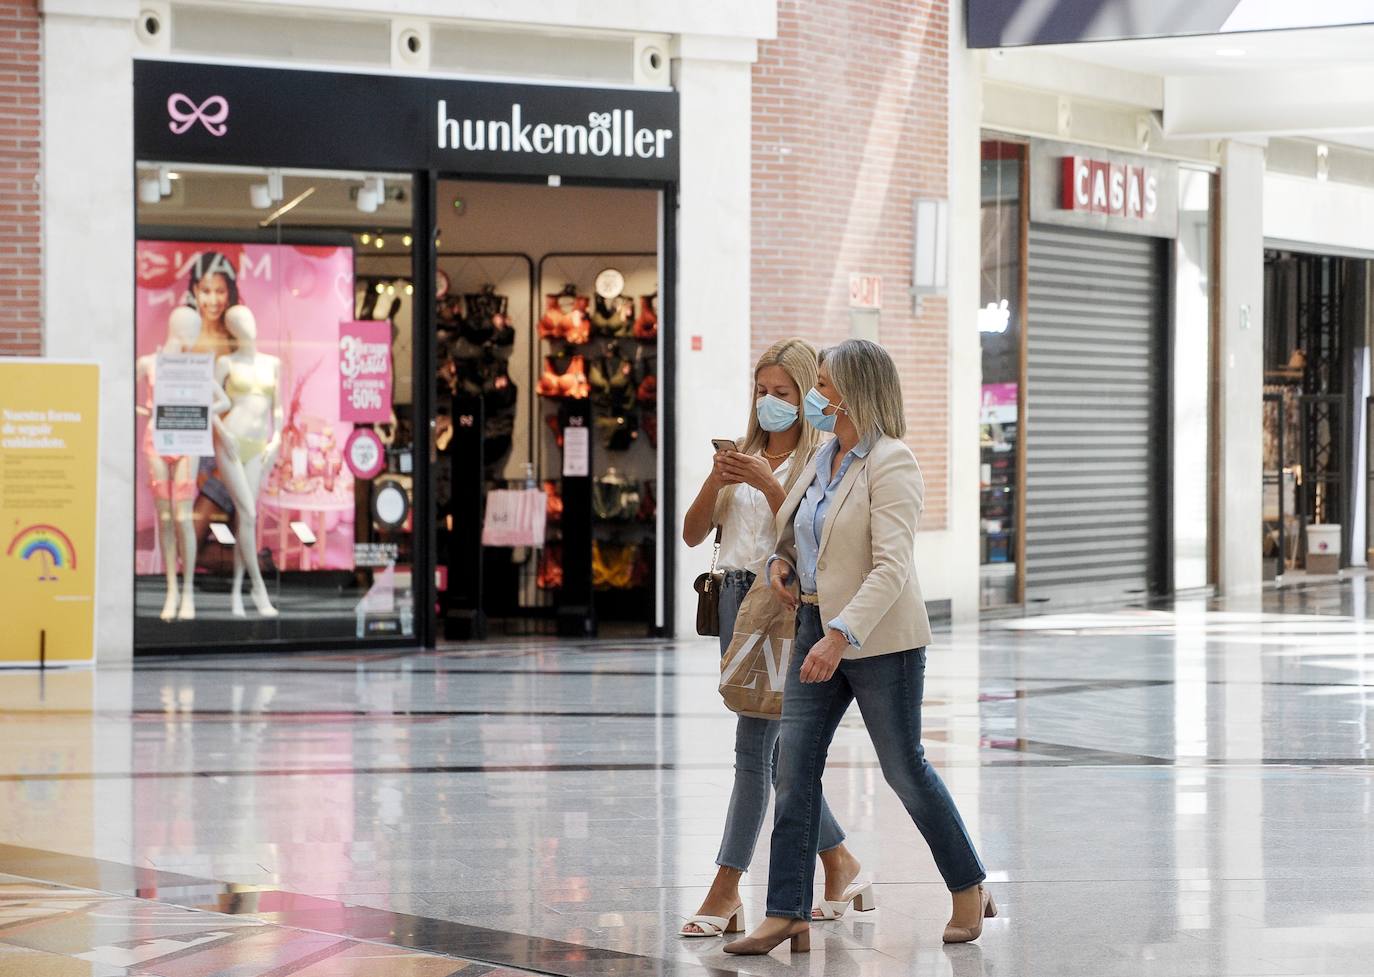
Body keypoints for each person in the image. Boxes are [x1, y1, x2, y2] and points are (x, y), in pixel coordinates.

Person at [726, 339, 994, 956]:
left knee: (904, 770)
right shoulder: (824, 459)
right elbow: (796, 534)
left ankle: (967, 884)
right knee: (793, 770)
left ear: (854, 392)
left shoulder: (892, 462)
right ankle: (786, 911)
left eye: (823, 383)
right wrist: (780, 565)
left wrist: (841, 636)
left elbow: (892, 566)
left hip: (877, 641)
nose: (814, 395)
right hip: (812, 627)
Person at [679, 338, 865, 938]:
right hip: (733, 601)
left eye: (782, 393)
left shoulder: (819, 461)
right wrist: (720, 477)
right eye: (761, 392)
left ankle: (726, 888)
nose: (769, 402)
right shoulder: (743, 457)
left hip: (782, 605)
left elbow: (814, 537)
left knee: (753, 751)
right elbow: (690, 532)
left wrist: (764, 482)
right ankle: (840, 862)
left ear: (808, 393)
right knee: (778, 752)